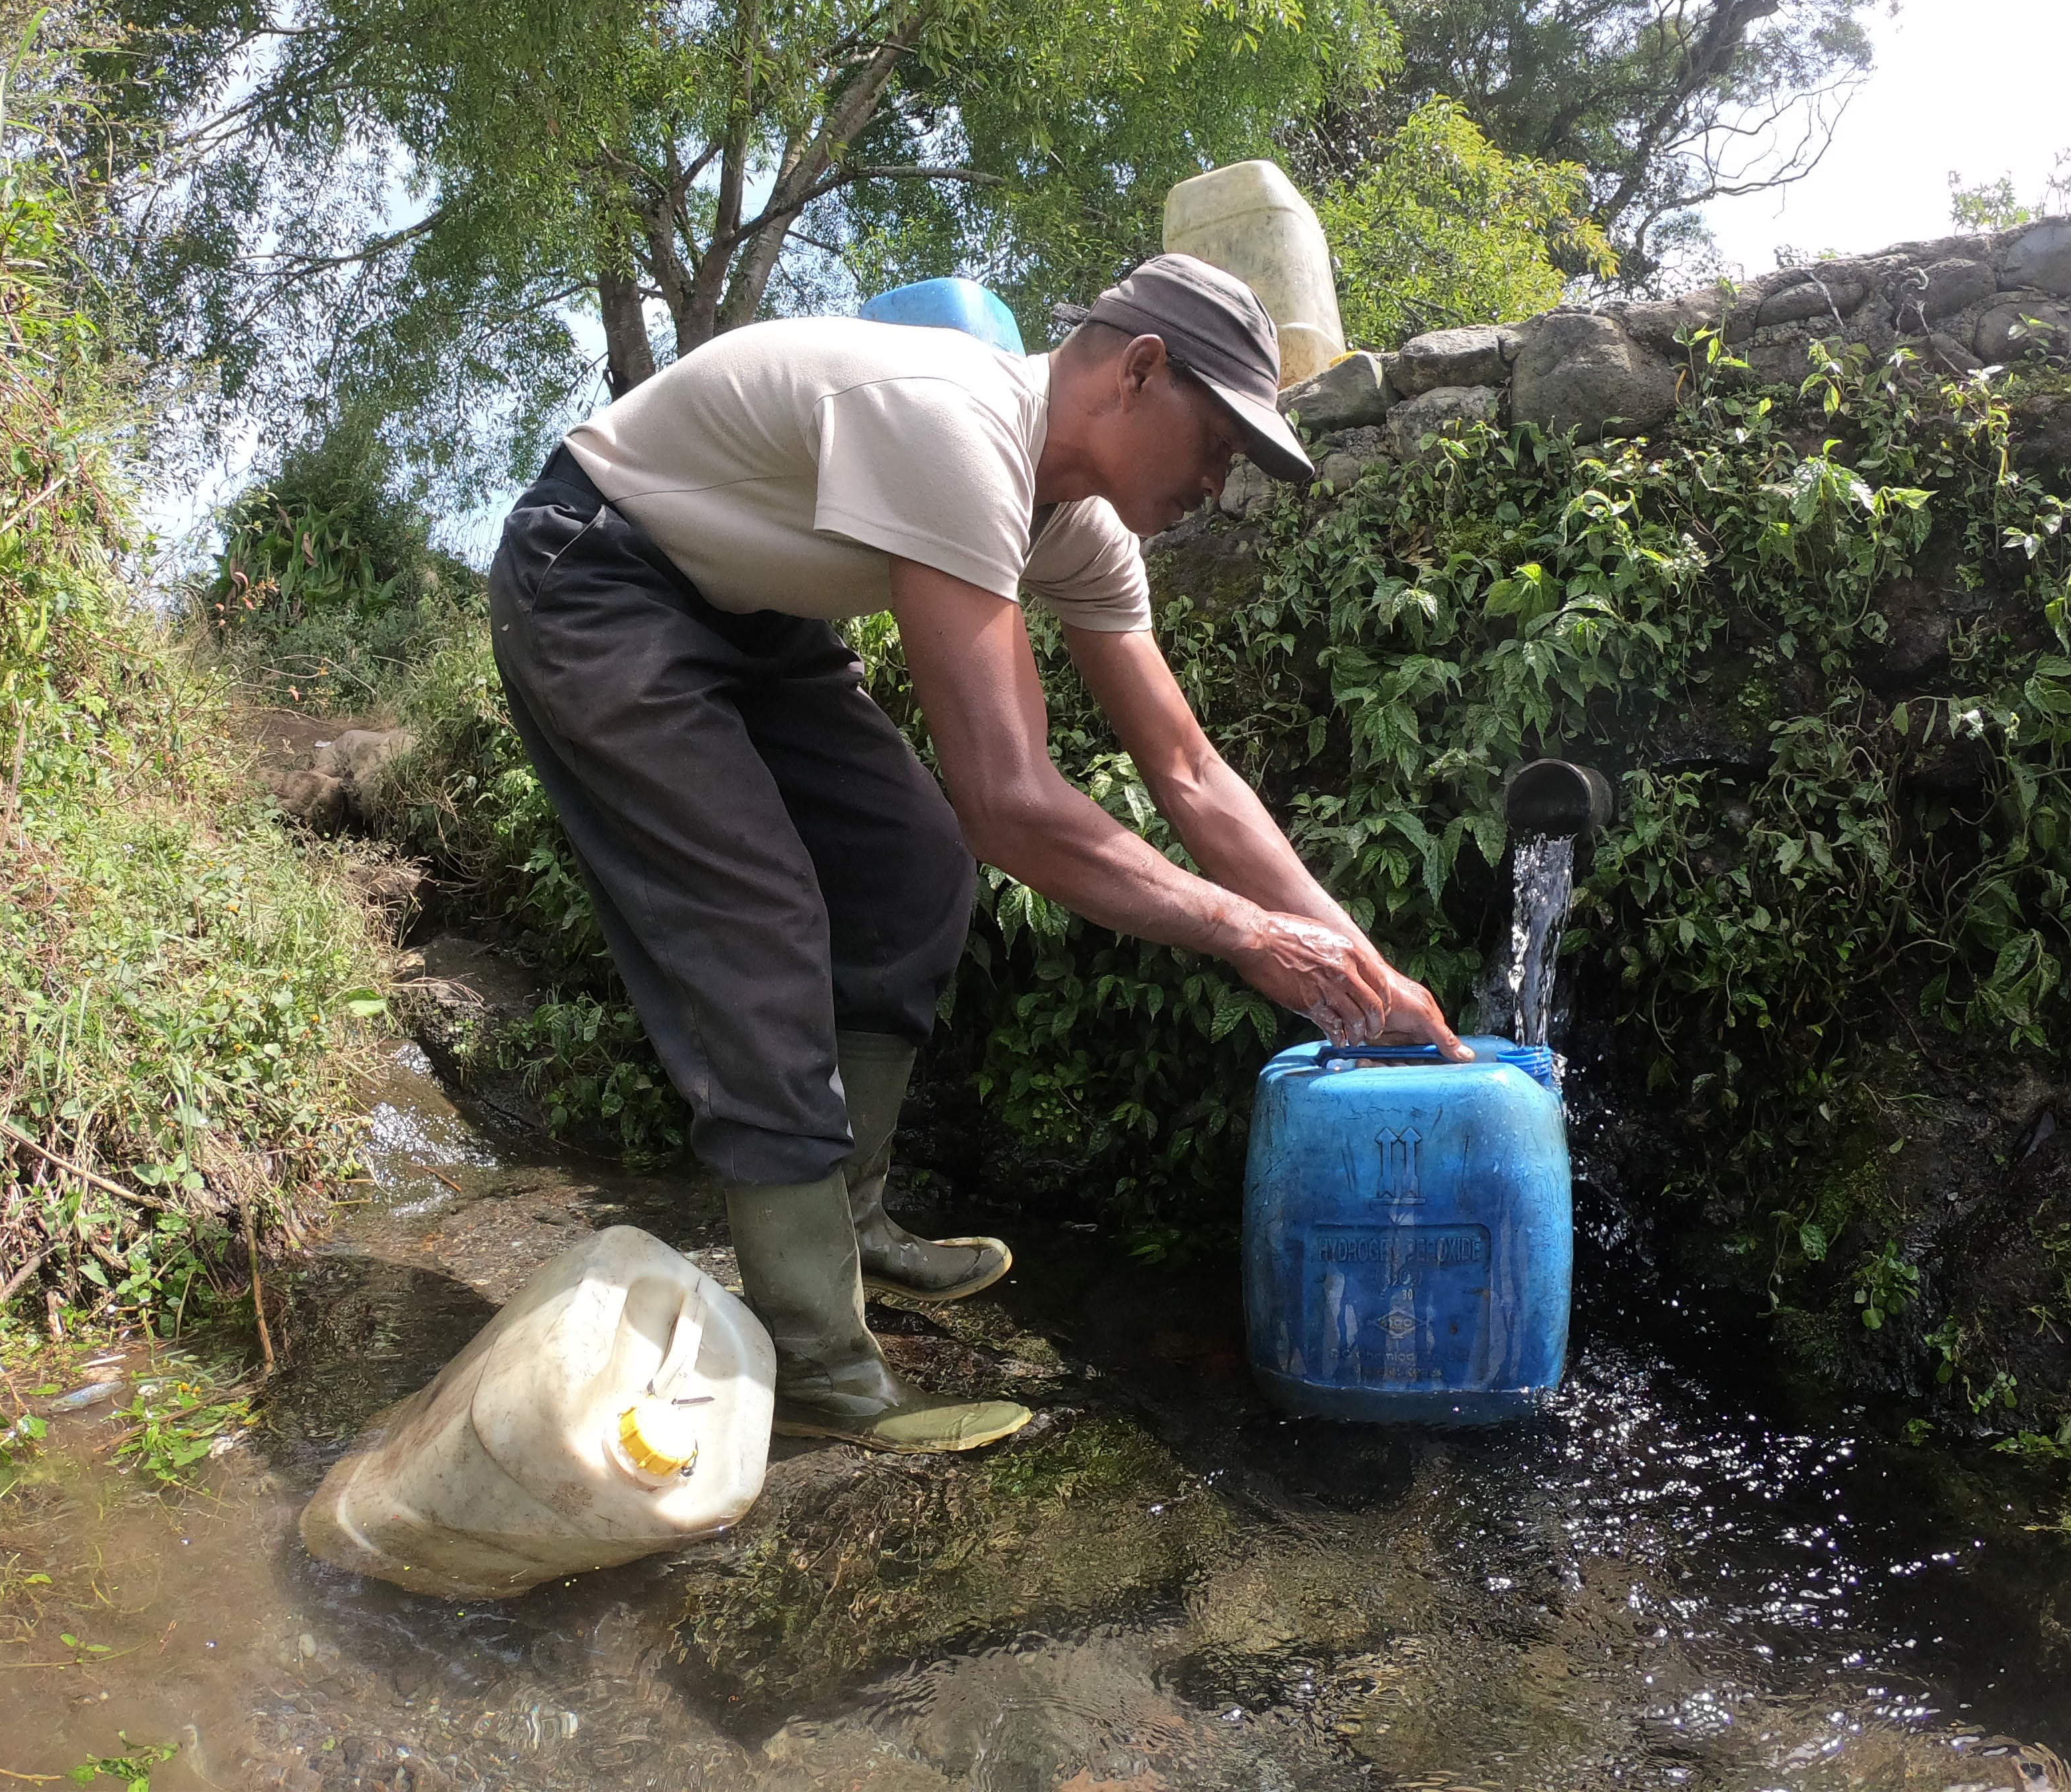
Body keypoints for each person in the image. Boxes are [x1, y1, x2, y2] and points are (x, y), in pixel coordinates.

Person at [487, 253, 1467, 1455]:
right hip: (598, 569)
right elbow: (1009, 801)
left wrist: (1365, 966)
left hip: (752, 608)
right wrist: (1249, 936)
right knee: (760, 921)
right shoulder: (954, 421)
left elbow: (1192, 775)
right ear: (1138, 371)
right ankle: (820, 1365)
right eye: (1217, 442)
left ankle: (851, 1221)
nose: (1220, 482)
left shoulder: (1089, 537)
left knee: (911, 864)